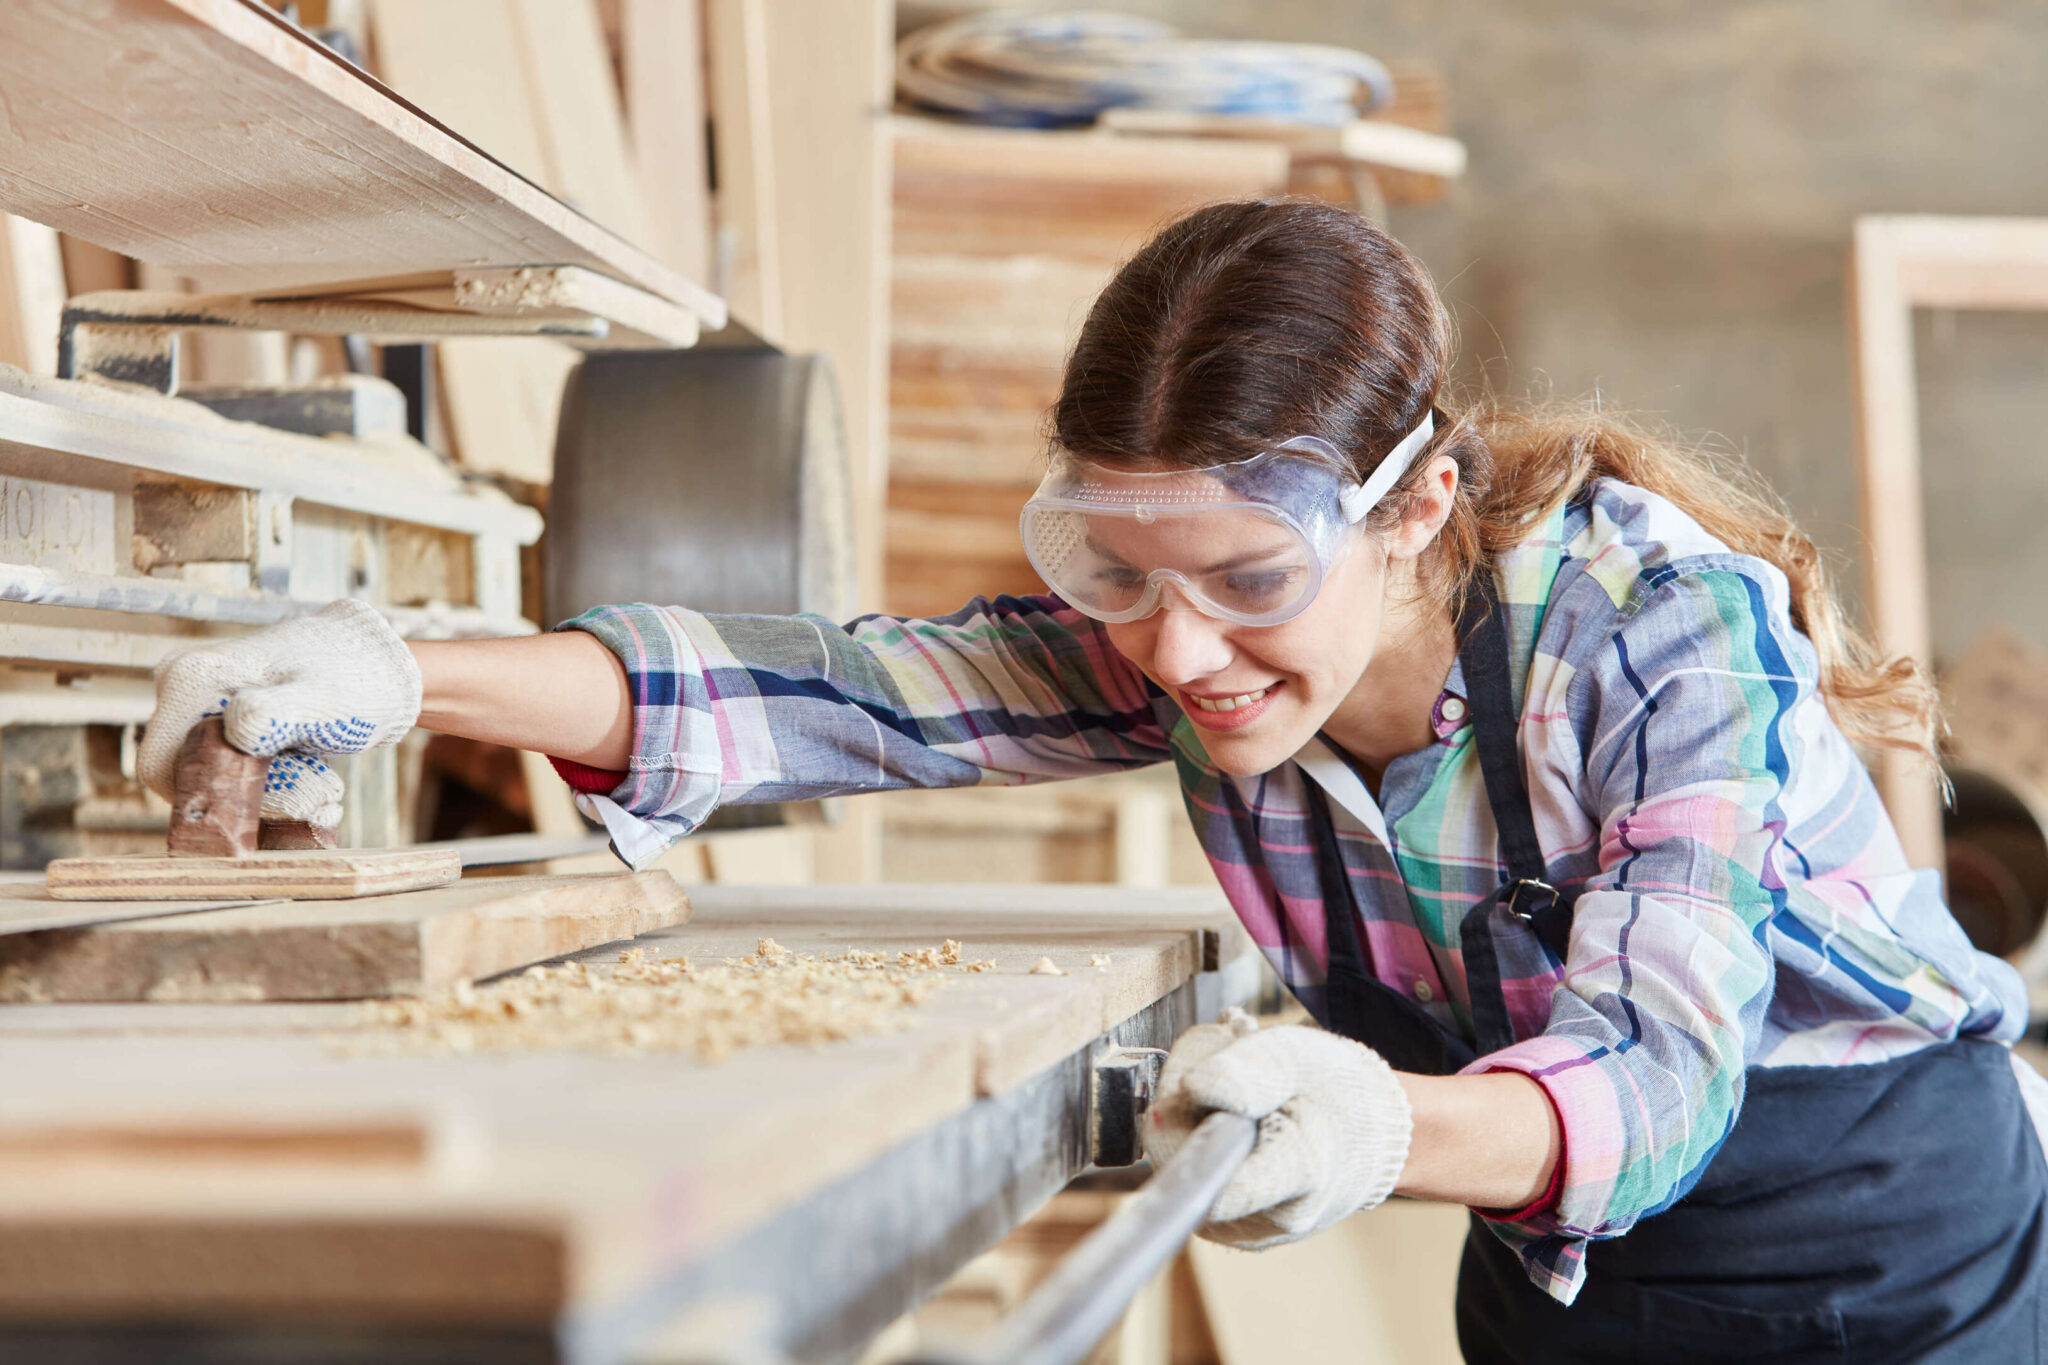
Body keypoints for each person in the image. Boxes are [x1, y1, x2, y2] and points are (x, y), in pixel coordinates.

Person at [141, 200, 2046, 1361]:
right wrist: (401, 668)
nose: (1176, 650)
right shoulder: (1184, 638)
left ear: (1421, 511)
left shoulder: (1649, 625)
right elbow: (847, 691)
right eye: (1117, 574)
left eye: (1247, 582)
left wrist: (1384, 1126)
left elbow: (1660, 1074)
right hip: (1565, 1290)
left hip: (1879, 1253)